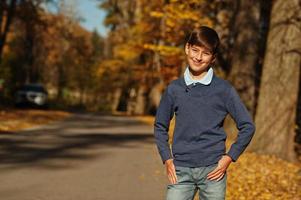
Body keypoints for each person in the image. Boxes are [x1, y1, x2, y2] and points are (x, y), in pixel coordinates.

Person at [154, 26, 256, 200]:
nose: (198, 57)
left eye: (206, 53)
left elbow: (247, 126)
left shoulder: (224, 90)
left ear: (213, 58)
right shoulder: (174, 89)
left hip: (213, 171)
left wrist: (229, 158)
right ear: (187, 48)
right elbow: (160, 126)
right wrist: (167, 158)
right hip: (181, 170)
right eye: (195, 50)